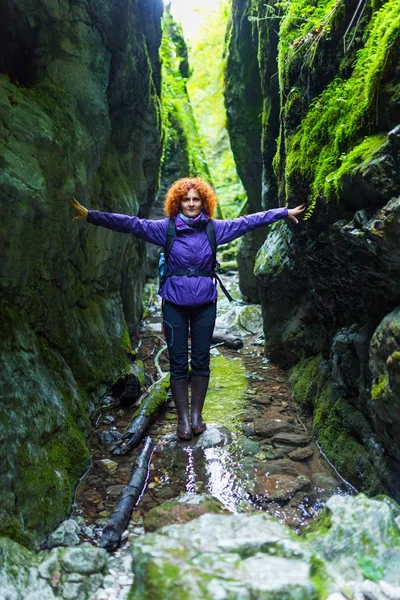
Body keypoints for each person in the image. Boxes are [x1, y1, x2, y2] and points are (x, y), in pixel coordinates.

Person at [71, 177, 305, 440]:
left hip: (205, 304)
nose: (192, 204)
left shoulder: (214, 229)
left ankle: (197, 415)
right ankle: (182, 419)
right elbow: (130, 224)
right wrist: (91, 215)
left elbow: (248, 222)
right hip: (174, 306)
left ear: (203, 202)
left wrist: (282, 213)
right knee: (179, 363)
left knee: (202, 360)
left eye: (196, 199)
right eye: (186, 199)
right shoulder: (165, 229)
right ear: (178, 202)